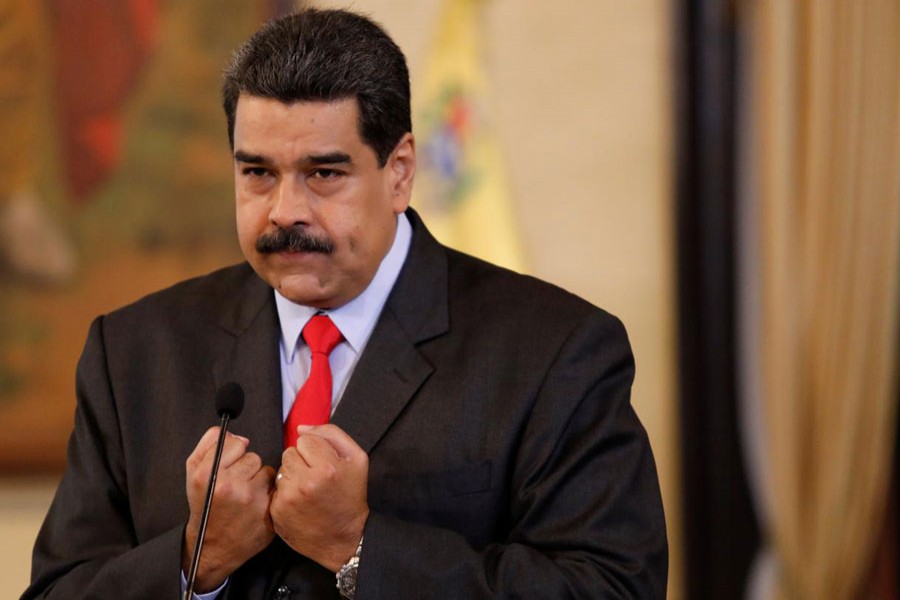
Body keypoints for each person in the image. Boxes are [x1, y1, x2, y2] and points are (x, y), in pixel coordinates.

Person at [23, 8, 667, 599]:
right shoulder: (135, 349)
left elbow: (612, 588)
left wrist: (359, 546)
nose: (285, 212)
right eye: (258, 173)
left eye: (323, 173)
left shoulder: (555, 351)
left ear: (400, 171)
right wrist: (197, 560)